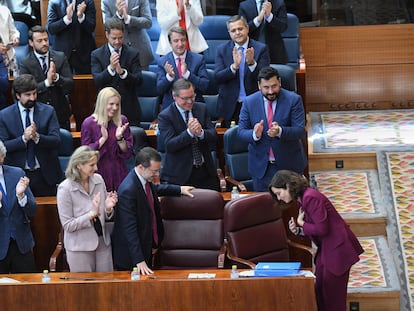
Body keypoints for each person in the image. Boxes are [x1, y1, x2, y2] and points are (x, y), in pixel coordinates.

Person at [269, 170, 364, 311]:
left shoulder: (310, 197)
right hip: (326, 251)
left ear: (288, 185)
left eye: (279, 193)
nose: (279, 198)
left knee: (333, 301)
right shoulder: (303, 198)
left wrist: (302, 224)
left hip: (337, 251)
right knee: (321, 294)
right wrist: (299, 231)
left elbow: (322, 228)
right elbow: (318, 228)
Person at [111, 146, 194, 274]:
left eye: (158, 170)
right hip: (131, 257)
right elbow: (129, 229)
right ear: (140, 167)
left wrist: (179, 189)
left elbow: (155, 189)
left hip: (145, 246)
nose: (157, 175)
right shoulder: (128, 190)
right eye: (154, 171)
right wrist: (139, 260)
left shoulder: (143, 179)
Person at [238, 66, 307, 191]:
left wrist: (280, 131)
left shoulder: (294, 100)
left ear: (279, 82)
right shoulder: (249, 102)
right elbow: (241, 132)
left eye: (274, 86)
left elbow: (300, 130)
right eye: (266, 87)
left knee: (291, 208)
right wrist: (255, 134)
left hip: (289, 166)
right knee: (263, 208)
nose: (270, 91)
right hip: (261, 169)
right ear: (259, 85)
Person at [57, 146, 118, 272]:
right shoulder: (65, 189)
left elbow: (105, 215)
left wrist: (108, 208)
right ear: (79, 165)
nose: (96, 168)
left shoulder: (98, 180)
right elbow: (68, 225)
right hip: (80, 248)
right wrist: (91, 214)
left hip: (102, 243)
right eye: (92, 165)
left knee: (106, 287)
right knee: (85, 290)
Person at [0, 74, 62, 197]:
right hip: (18, 175)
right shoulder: (4, 115)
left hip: (45, 174)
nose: (32, 98)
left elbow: (56, 140)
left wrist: (37, 137)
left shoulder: (48, 111)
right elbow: (3, 146)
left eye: (34, 93)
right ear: (18, 95)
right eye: (28, 95)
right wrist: (23, 139)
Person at [158, 79, 219, 191]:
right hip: (181, 174)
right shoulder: (165, 116)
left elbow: (213, 135)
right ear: (174, 97)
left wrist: (201, 133)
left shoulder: (201, 108)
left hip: (205, 171)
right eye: (185, 98)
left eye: (192, 96)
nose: (190, 101)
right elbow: (170, 145)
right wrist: (189, 133)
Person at [214, 15, 270, 127]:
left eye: (240, 29)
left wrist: (252, 64)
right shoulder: (222, 50)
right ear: (229, 33)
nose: (237, 33)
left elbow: (266, 78)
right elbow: (218, 77)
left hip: (254, 103)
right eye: (233, 30)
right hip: (230, 105)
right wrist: (234, 67)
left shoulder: (260, 48)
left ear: (247, 29)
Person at [20, 26, 74, 130]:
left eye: (46, 39)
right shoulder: (26, 63)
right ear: (31, 43)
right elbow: (25, 89)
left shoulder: (60, 57)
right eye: (39, 41)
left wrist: (56, 78)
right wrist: (47, 83)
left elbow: (70, 84)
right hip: (37, 115)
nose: (44, 43)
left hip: (60, 113)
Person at [91, 18, 143, 127]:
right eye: (114, 38)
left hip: (129, 109)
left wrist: (123, 73)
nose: (117, 42)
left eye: (120, 38)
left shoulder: (133, 54)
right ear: (107, 35)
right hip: (106, 110)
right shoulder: (97, 55)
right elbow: (97, 81)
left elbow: (139, 80)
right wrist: (110, 68)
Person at [81, 87, 133, 192]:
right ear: (102, 103)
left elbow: (127, 152)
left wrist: (119, 138)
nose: (115, 108)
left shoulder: (121, 120)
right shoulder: (89, 123)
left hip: (119, 171)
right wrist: (103, 139)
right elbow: (85, 154)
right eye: (111, 104)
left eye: (117, 104)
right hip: (98, 172)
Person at [0, 139, 37, 273]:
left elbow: (32, 210)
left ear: (2, 157)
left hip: (20, 243)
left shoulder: (17, 174)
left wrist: (21, 196)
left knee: (28, 291)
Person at [157, 26, 209, 111]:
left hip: (194, 107)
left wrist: (188, 74)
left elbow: (204, 86)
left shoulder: (198, 59)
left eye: (183, 40)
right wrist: (169, 77)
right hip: (171, 109)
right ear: (170, 43)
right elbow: (159, 89)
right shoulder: (163, 61)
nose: (180, 44)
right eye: (176, 41)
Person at [47, 0, 97, 74]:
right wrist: (67, 19)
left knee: (86, 84)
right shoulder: (54, 2)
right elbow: (51, 28)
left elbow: (91, 27)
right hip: (62, 53)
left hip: (84, 53)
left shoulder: (87, 2)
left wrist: (81, 16)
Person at [101, 0, 153, 71]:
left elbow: (148, 22)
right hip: (119, 53)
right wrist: (118, 15)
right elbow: (107, 25)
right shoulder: (106, 2)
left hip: (141, 52)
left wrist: (128, 19)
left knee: (143, 80)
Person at [238, 0, 288, 64]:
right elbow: (242, 30)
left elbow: (283, 27)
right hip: (251, 51)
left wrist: (270, 17)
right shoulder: (244, 5)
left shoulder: (279, 3)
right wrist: (257, 20)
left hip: (275, 53)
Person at [0, 4, 20, 73]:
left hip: (9, 57)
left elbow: (13, 31)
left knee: (13, 81)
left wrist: (15, 38)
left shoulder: (5, 10)